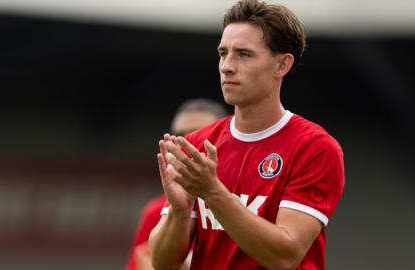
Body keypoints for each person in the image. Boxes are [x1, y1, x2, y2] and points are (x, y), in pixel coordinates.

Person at [149, 1, 345, 270]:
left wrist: (213, 193)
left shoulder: (315, 147)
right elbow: (162, 264)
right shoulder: (198, 145)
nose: (227, 66)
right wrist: (180, 213)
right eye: (223, 53)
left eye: (243, 54)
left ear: (282, 65)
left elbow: (284, 256)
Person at [125, 99, 228, 270]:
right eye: (179, 136)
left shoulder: (245, 203)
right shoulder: (156, 213)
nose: (187, 143)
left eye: (200, 134)